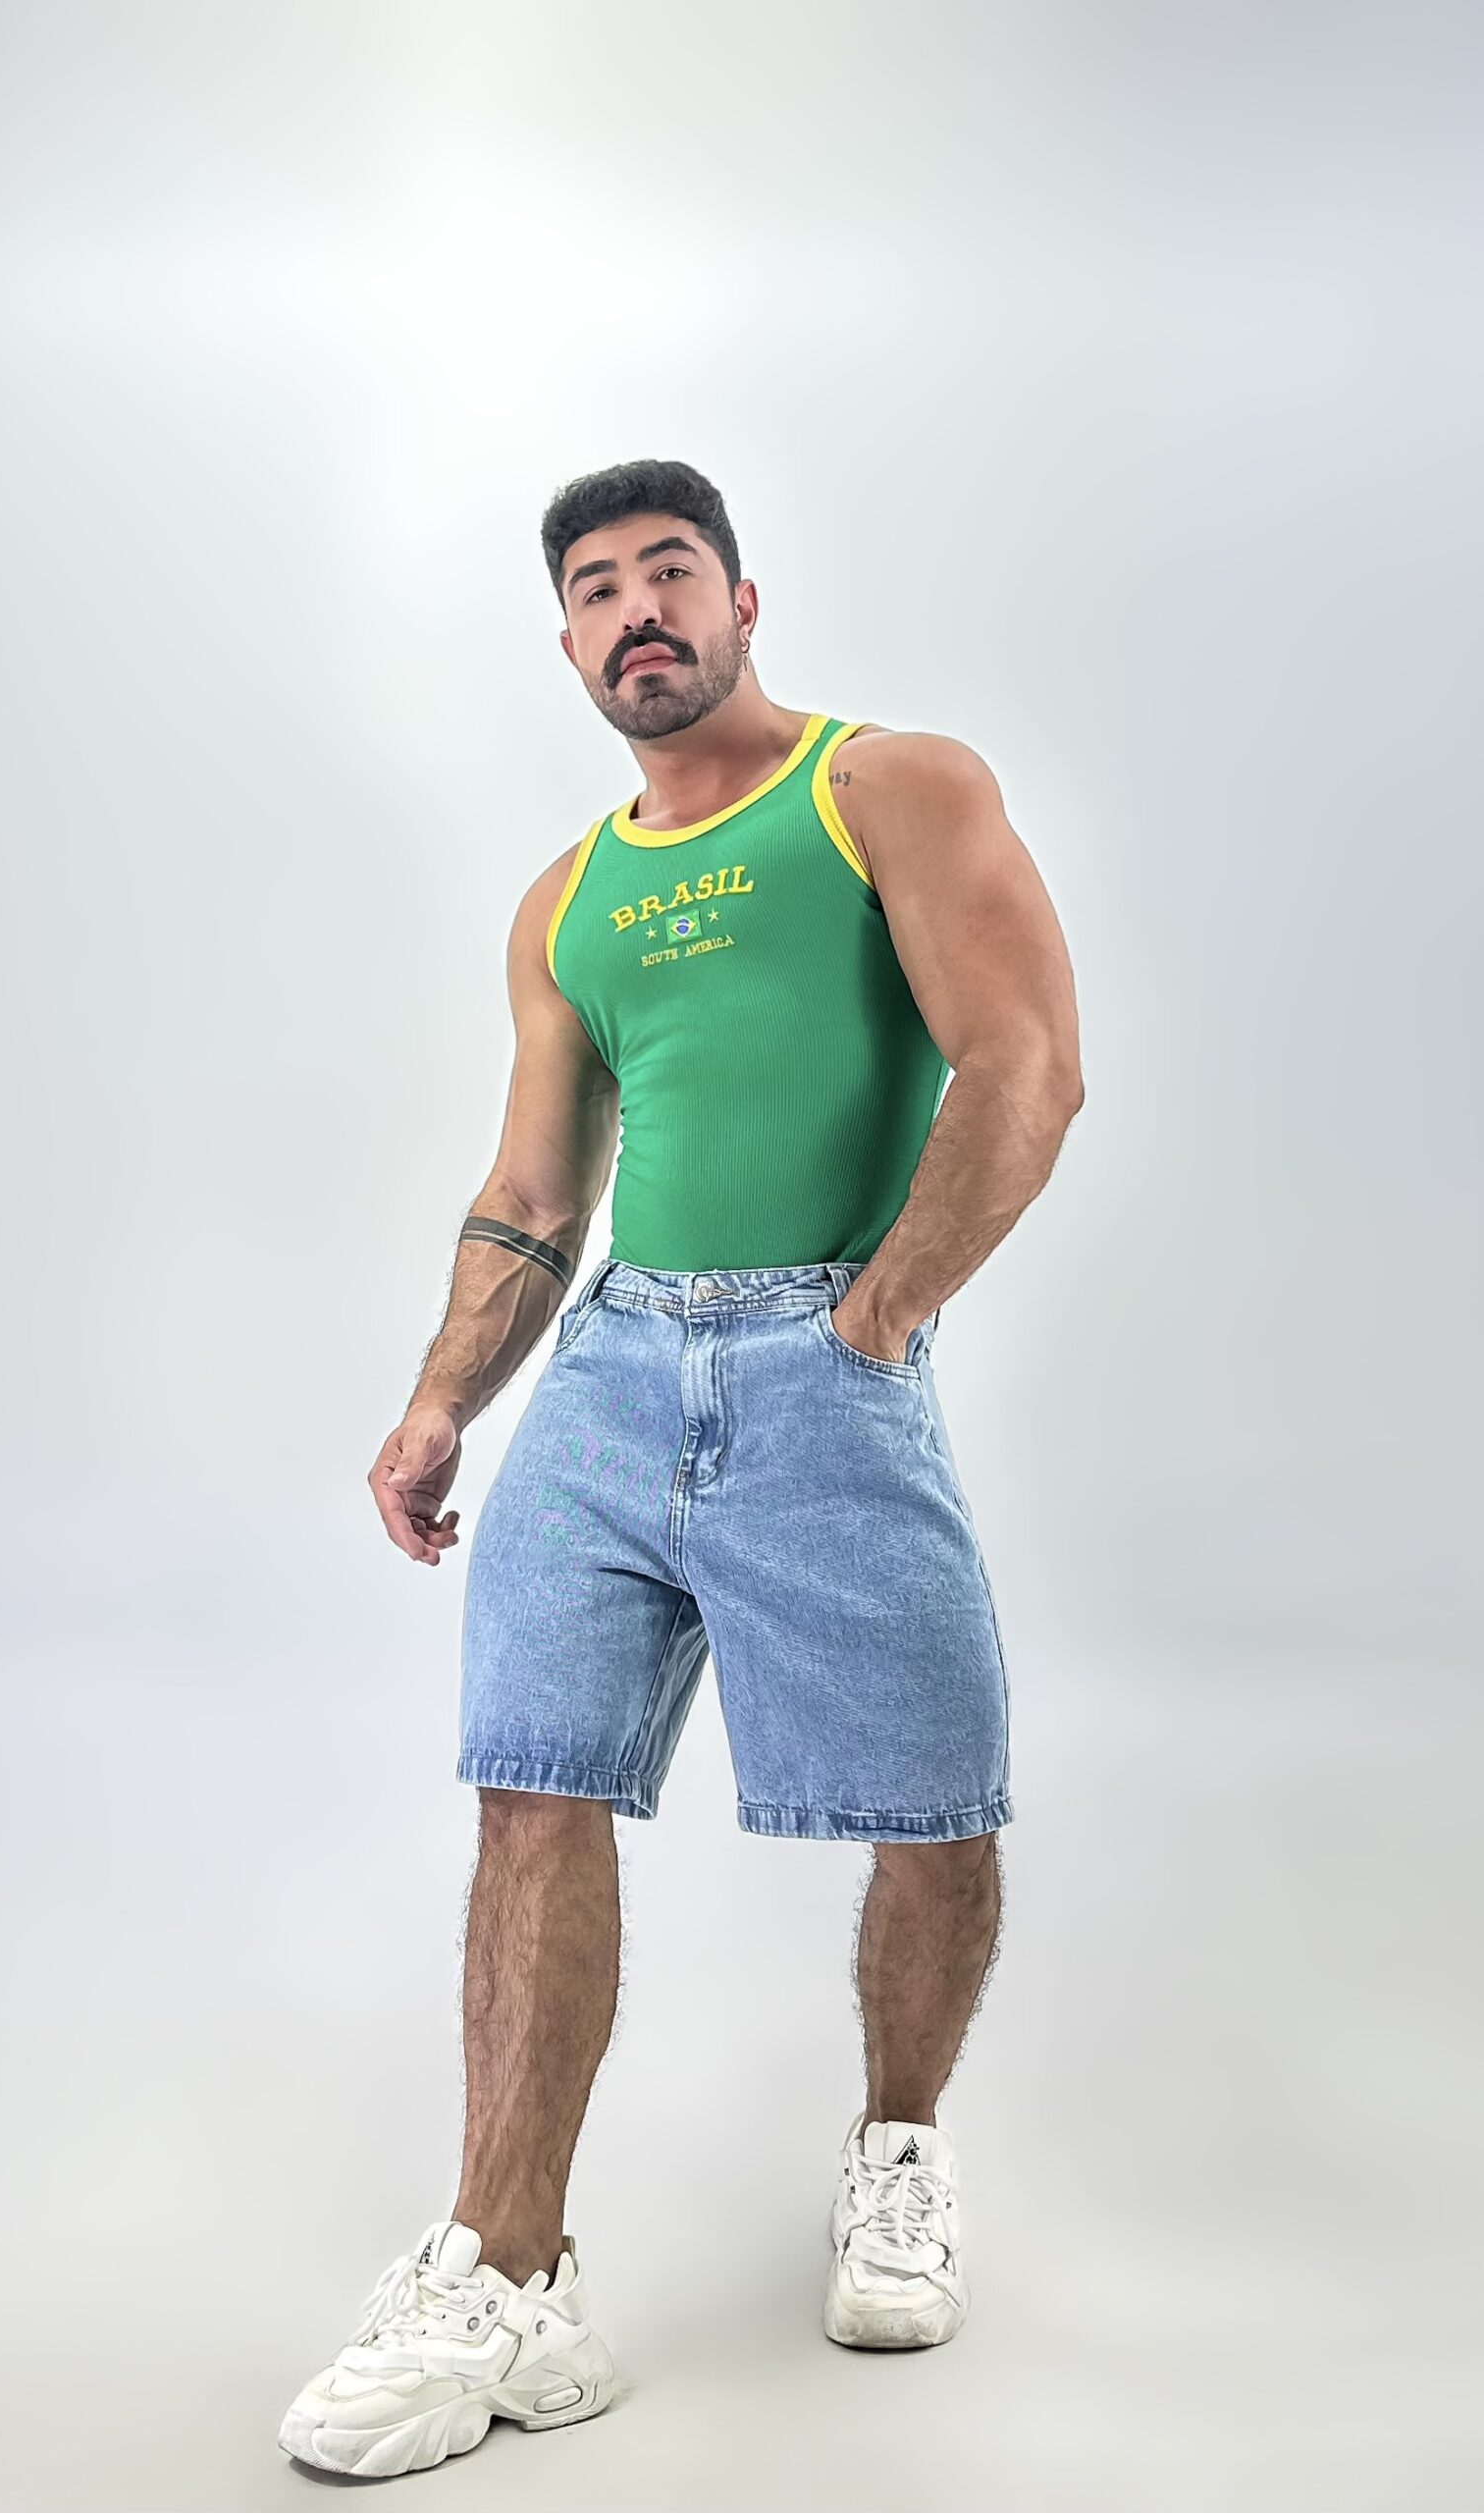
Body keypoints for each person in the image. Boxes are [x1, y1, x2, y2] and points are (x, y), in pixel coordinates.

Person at [279, 459, 1085, 2479]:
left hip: (825, 1357)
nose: (634, 610)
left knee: (933, 1800)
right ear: (566, 644)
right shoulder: (568, 901)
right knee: (530, 1784)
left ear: (740, 599)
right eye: (594, 589)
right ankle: (507, 2272)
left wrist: (874, 1322)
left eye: (667, 572)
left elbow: (1025, 1062)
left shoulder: (882, 785)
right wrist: (442, 1398)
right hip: (613, 1375)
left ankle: (899, 2145)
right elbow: (537, 1188)